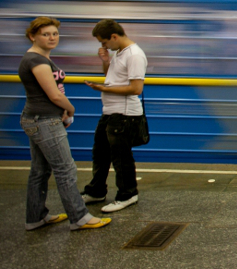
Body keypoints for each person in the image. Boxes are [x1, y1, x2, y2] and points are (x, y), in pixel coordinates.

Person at [19, 16, 111, 231]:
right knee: (65, 169)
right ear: (32, 36)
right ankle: (79, 217)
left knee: (40, 171)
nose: (52, 37)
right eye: (45, 34)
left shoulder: (39, 58)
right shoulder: (37, 61)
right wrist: (70, 108)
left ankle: (36, 217)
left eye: (55, 34)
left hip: (39, 118)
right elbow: (54, 95)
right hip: (44, 121)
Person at [80, 19, 147, 213]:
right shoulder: (119, 52)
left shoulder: (134, 55)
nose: (103, 46)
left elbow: (136, 89)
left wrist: (103, 88)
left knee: (121, 157)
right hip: (110, 112)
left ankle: (128, 194)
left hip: (124, 115)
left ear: (114, 37)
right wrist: (106, 62)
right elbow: (112, 77)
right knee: (100, 153)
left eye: (104, 42)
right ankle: (96, 191)